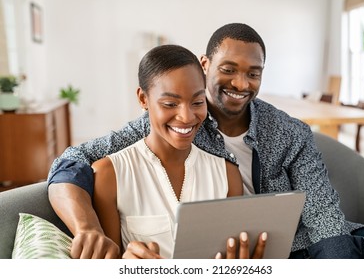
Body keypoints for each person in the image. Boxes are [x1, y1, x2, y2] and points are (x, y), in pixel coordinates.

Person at [48, 22, 364, 259]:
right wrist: (87, 228)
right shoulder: (180, 121)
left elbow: (322, 213)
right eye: (228, 69)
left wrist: (339, 266)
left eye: (253, 73)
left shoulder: (289, 132)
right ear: (205, 64)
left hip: (304, 245)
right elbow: (71, 160)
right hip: (230, 256)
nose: (241, 83)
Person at [90, 44, 266, 259]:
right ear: (143, 99)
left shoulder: (228, 175)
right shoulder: (109, 175)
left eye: (198, 102)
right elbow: (109, 260)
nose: (187, 116)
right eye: (170, 103)